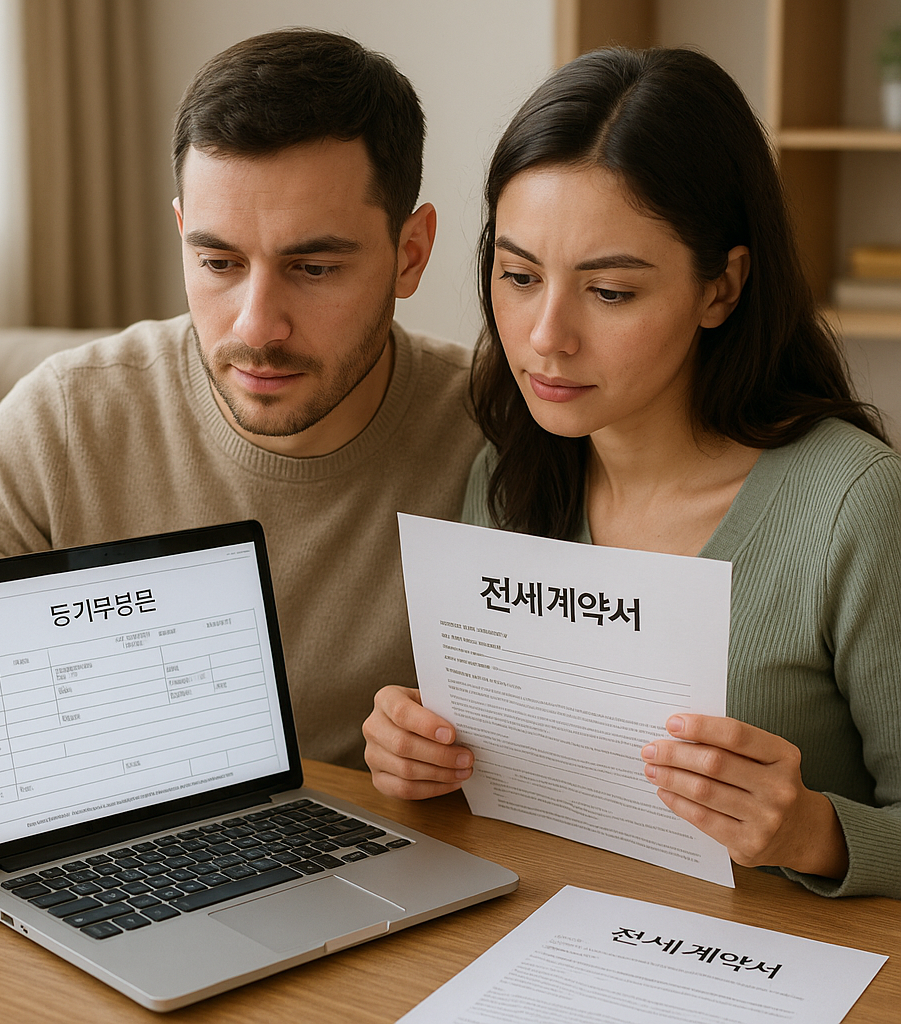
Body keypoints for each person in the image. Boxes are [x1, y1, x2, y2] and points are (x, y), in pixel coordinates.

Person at [0, 29, 484, 810]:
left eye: (314, 268)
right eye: (219, 263)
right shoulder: (68, 416)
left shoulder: (496, 426)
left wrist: (447, 758)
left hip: (390, 870)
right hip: (126, 859)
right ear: (182, 235)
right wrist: (31, 791)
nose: (257, 326)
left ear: (410, 252)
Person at [363, 47, 901, 898]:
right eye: (518, 275)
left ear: (721, 288)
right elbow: (499, 782)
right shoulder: (508, 466)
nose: (546, 335)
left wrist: (814, 832)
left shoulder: (854, 506)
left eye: (609, 291)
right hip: (542, 936)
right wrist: (420, 757)